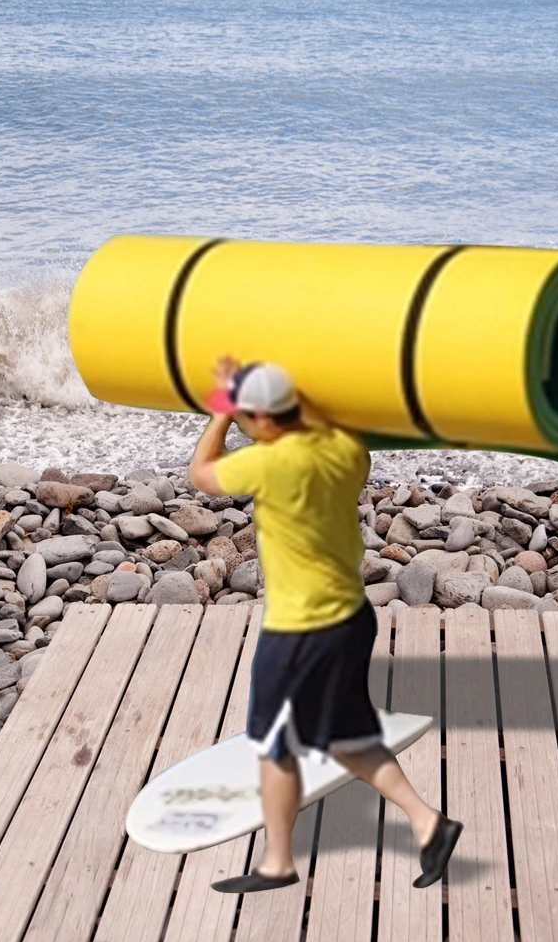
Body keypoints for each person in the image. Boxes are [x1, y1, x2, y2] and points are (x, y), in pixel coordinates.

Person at [188, 355, 462, 893]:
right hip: (352, 620)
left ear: (262, 419)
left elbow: (201, 473)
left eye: (246, 417)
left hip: (299, 630)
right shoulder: (346, 451)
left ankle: (277, 865)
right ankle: (429, 822)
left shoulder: (269, 463)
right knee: (344, 735)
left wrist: (219, 409)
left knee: (271, 741)